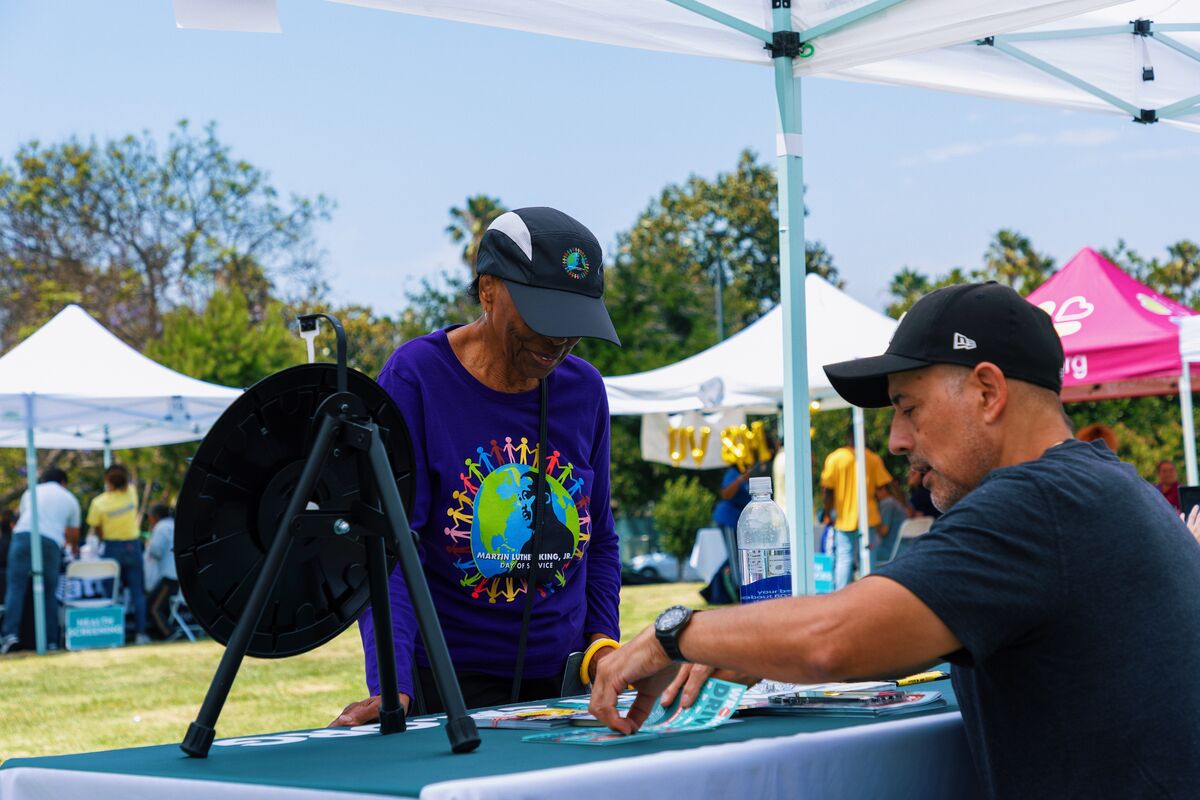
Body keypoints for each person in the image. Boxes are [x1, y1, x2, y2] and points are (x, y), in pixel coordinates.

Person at [590, 283, 1200, 798]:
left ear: (988, 393)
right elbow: (888, 623)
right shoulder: (1104, 485)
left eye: (909, 407)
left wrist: (675, 631)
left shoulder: (1035, 502)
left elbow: (835, 638)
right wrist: (753, 648)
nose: (897, 440)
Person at [332, 207, 622, 725]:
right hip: (446, 686)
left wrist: (602, 645)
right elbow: (390, 546)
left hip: (563, 685)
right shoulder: (417, 377)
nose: (559, 341)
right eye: (544, 317)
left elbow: (598, 536)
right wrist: (393, 685)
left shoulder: (585, 391)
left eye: (575, 323)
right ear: (489, 289)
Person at [1, 468, 80, 654]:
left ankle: (10, 635)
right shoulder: (69, 498)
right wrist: (73, 546)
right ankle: (51, 640)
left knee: (16, 587)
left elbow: (23, 515)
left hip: (22, 536)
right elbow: (73, 534)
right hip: (51, 541)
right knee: (48, 592)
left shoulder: (31, 492)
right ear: (63, 482)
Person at [819, 427, 895, 588]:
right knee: (868, 558)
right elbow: (886, 485)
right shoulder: (872, 458)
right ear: (864, 436)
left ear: (847, 437)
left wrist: (827, 512)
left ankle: (840, 596)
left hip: (844, 518)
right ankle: (869, 594)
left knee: (844, 559)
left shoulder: (836, 458)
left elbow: (827, 490)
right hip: (868, 518)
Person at [86, 464, 149, 645]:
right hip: (133, 545)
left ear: (107, 481)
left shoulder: (99, 502)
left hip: (112, 547)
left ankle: (112, 633)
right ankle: (141, 634)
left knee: (110, 592)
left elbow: (96, 527)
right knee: (138, 592)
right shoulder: (132, 493)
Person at [143, 504, 177, 640]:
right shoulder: (173, 524)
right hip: (176, 574)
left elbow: (156, 551)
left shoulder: (160, 527)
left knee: (153, 606)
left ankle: (169, 633)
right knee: (161, 604)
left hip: (168, 575)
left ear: (155, 517)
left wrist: (148, 544)